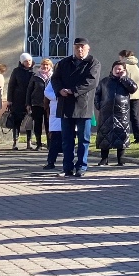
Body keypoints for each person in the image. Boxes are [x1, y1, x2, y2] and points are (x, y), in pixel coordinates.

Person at [52, 38, 101, 177]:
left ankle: (81, 167)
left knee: (83, 139)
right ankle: (67, 167)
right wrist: (60, 90)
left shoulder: (93, 63)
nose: (80, 50)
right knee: (66, 139)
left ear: (88, 48)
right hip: (65, 105)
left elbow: (91, 82)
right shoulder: (64, 62)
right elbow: (55, 79)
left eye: (82, 47)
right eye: (77, 47)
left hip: (83, 106)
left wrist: (73, 90)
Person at [95, 61, 139, 166]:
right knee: (105, 135)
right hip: (106, 113)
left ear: (124, 70)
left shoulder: (126, 82)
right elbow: (97, 94)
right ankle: (104, 159)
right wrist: (99, 105)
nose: (118, 71)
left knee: (121, 135)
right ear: (112, 69)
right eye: (116, 69)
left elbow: (133, 89)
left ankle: (121, 159)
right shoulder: (105, 81)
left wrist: (124, 78)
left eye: (120, 69)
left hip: (121, 112)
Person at [6, 53, 35, 150]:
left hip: (30, 99)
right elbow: (11, 86)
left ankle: (29, 142)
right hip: (17, 99)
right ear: (22, 62)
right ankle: (15, 142)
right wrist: (9, 100)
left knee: (29, 121)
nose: (28, 63)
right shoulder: (16, 71)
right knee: (16, 121)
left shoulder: (34, 72)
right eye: (26, 61)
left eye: (29, 60)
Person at [27, 58, 54, 151]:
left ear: (51, 66)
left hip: (50, 104)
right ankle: (38, 144)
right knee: (37, 124)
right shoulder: (35, 76)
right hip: (36, 103)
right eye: (43, 65)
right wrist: (28, 103)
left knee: (49, 124)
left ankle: (50, 144)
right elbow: (29, 90)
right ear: (41, 66)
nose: (45, 66)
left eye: (47, 65)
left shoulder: (53, 77)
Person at [119, 50, 139, 144]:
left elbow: (123, 79)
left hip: (126, 94)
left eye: (120, 57)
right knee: (134, 116)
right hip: (136, 95)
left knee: (123, 116)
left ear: (123, 57)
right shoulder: (135, 65)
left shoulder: (125, 66)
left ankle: (124, 135)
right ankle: (138, 136)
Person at [42, 78, 63, 170]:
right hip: (56, 112)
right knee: (54, 140)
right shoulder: (54, 79)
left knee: (68, 140)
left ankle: (68, 163)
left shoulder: (72, 77)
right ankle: (51, 162)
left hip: (70, 111)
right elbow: (47, 91)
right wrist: (57, 96)